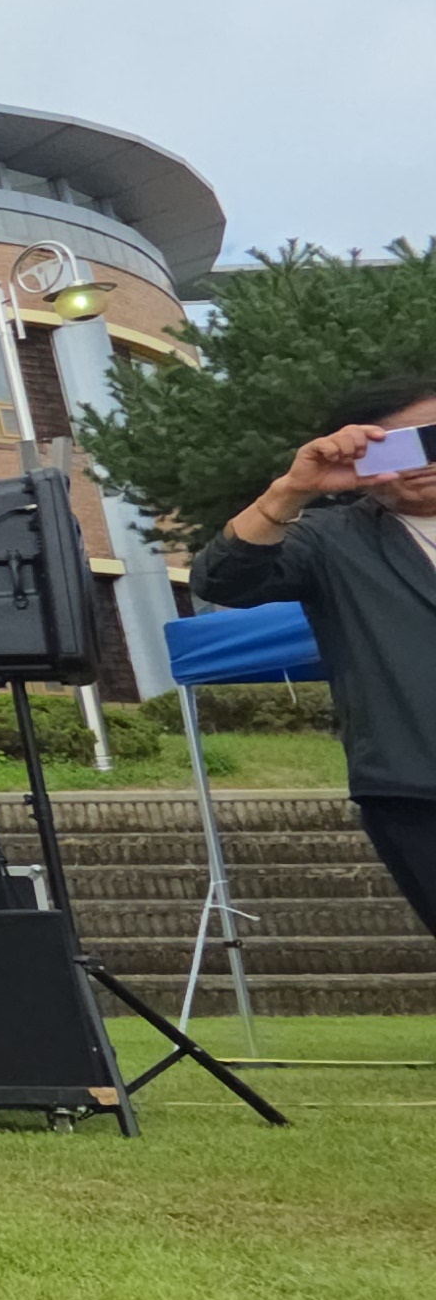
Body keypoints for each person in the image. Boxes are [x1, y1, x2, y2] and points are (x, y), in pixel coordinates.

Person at [194, 379, 436, 936]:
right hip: (418, 792)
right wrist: (292, 492)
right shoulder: (332, 540)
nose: (423, 459)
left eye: (433, 438)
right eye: (399, 446)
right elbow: (222, 580)